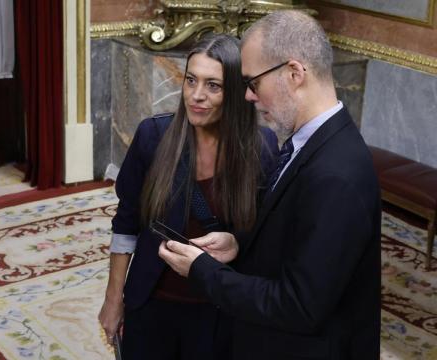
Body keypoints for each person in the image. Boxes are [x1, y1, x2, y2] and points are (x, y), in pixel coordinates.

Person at [159, 10, 381, 360]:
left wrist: (203, 271)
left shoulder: (336, 175)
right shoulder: (308, 141)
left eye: (253, 82)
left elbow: (298, 306)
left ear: (294, 74)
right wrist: (238, 244)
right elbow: (293, 235)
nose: (247, 96)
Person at [98, 34, 278, 360]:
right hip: (152, 301)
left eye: (213, 86)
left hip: (219, 308)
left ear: (236, 93)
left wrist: (236, 241)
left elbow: (265, 233)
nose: (196, 96)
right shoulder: (152, 137)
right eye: (191, 80)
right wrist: (113, 300)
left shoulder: (261, 149)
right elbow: (126, 222)